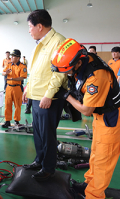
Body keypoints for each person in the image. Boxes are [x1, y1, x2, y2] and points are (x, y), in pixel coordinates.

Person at [51, 38, 120, 199]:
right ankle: (88, 184)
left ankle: (94, 195)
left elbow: (87, 110)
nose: (67, 73)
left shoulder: (97, 77)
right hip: (101, 117)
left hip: (112, 119)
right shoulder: (85, 58)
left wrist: (66, 96)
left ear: (78, 63)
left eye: (67, 70)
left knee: (103, 161)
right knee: (95, 154)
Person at [22, 9, 67, 181]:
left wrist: (48, 95)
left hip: (48, 98)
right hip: (36, 95)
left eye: (30, 26)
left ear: (39, 26)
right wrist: (28, 88)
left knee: (47, 134)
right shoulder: (41, 43)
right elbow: (35, 70)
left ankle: (48, 168)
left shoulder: (58, 42)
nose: (29, 30)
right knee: (38, 133)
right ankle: (39, 160)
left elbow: (59, 73)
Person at [2, 49, 27, 128]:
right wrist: (5, 73)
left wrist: (13, 79)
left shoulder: (22, 66)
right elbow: (3, 72)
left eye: (13, 56)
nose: (11, 57)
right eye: (12, 56)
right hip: (9, 87)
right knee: (7, 105)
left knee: (17, 105)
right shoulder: (9, 65)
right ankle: (7, 121)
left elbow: (22, 77)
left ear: (18, 58)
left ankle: (16, 120)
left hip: (17, 88)